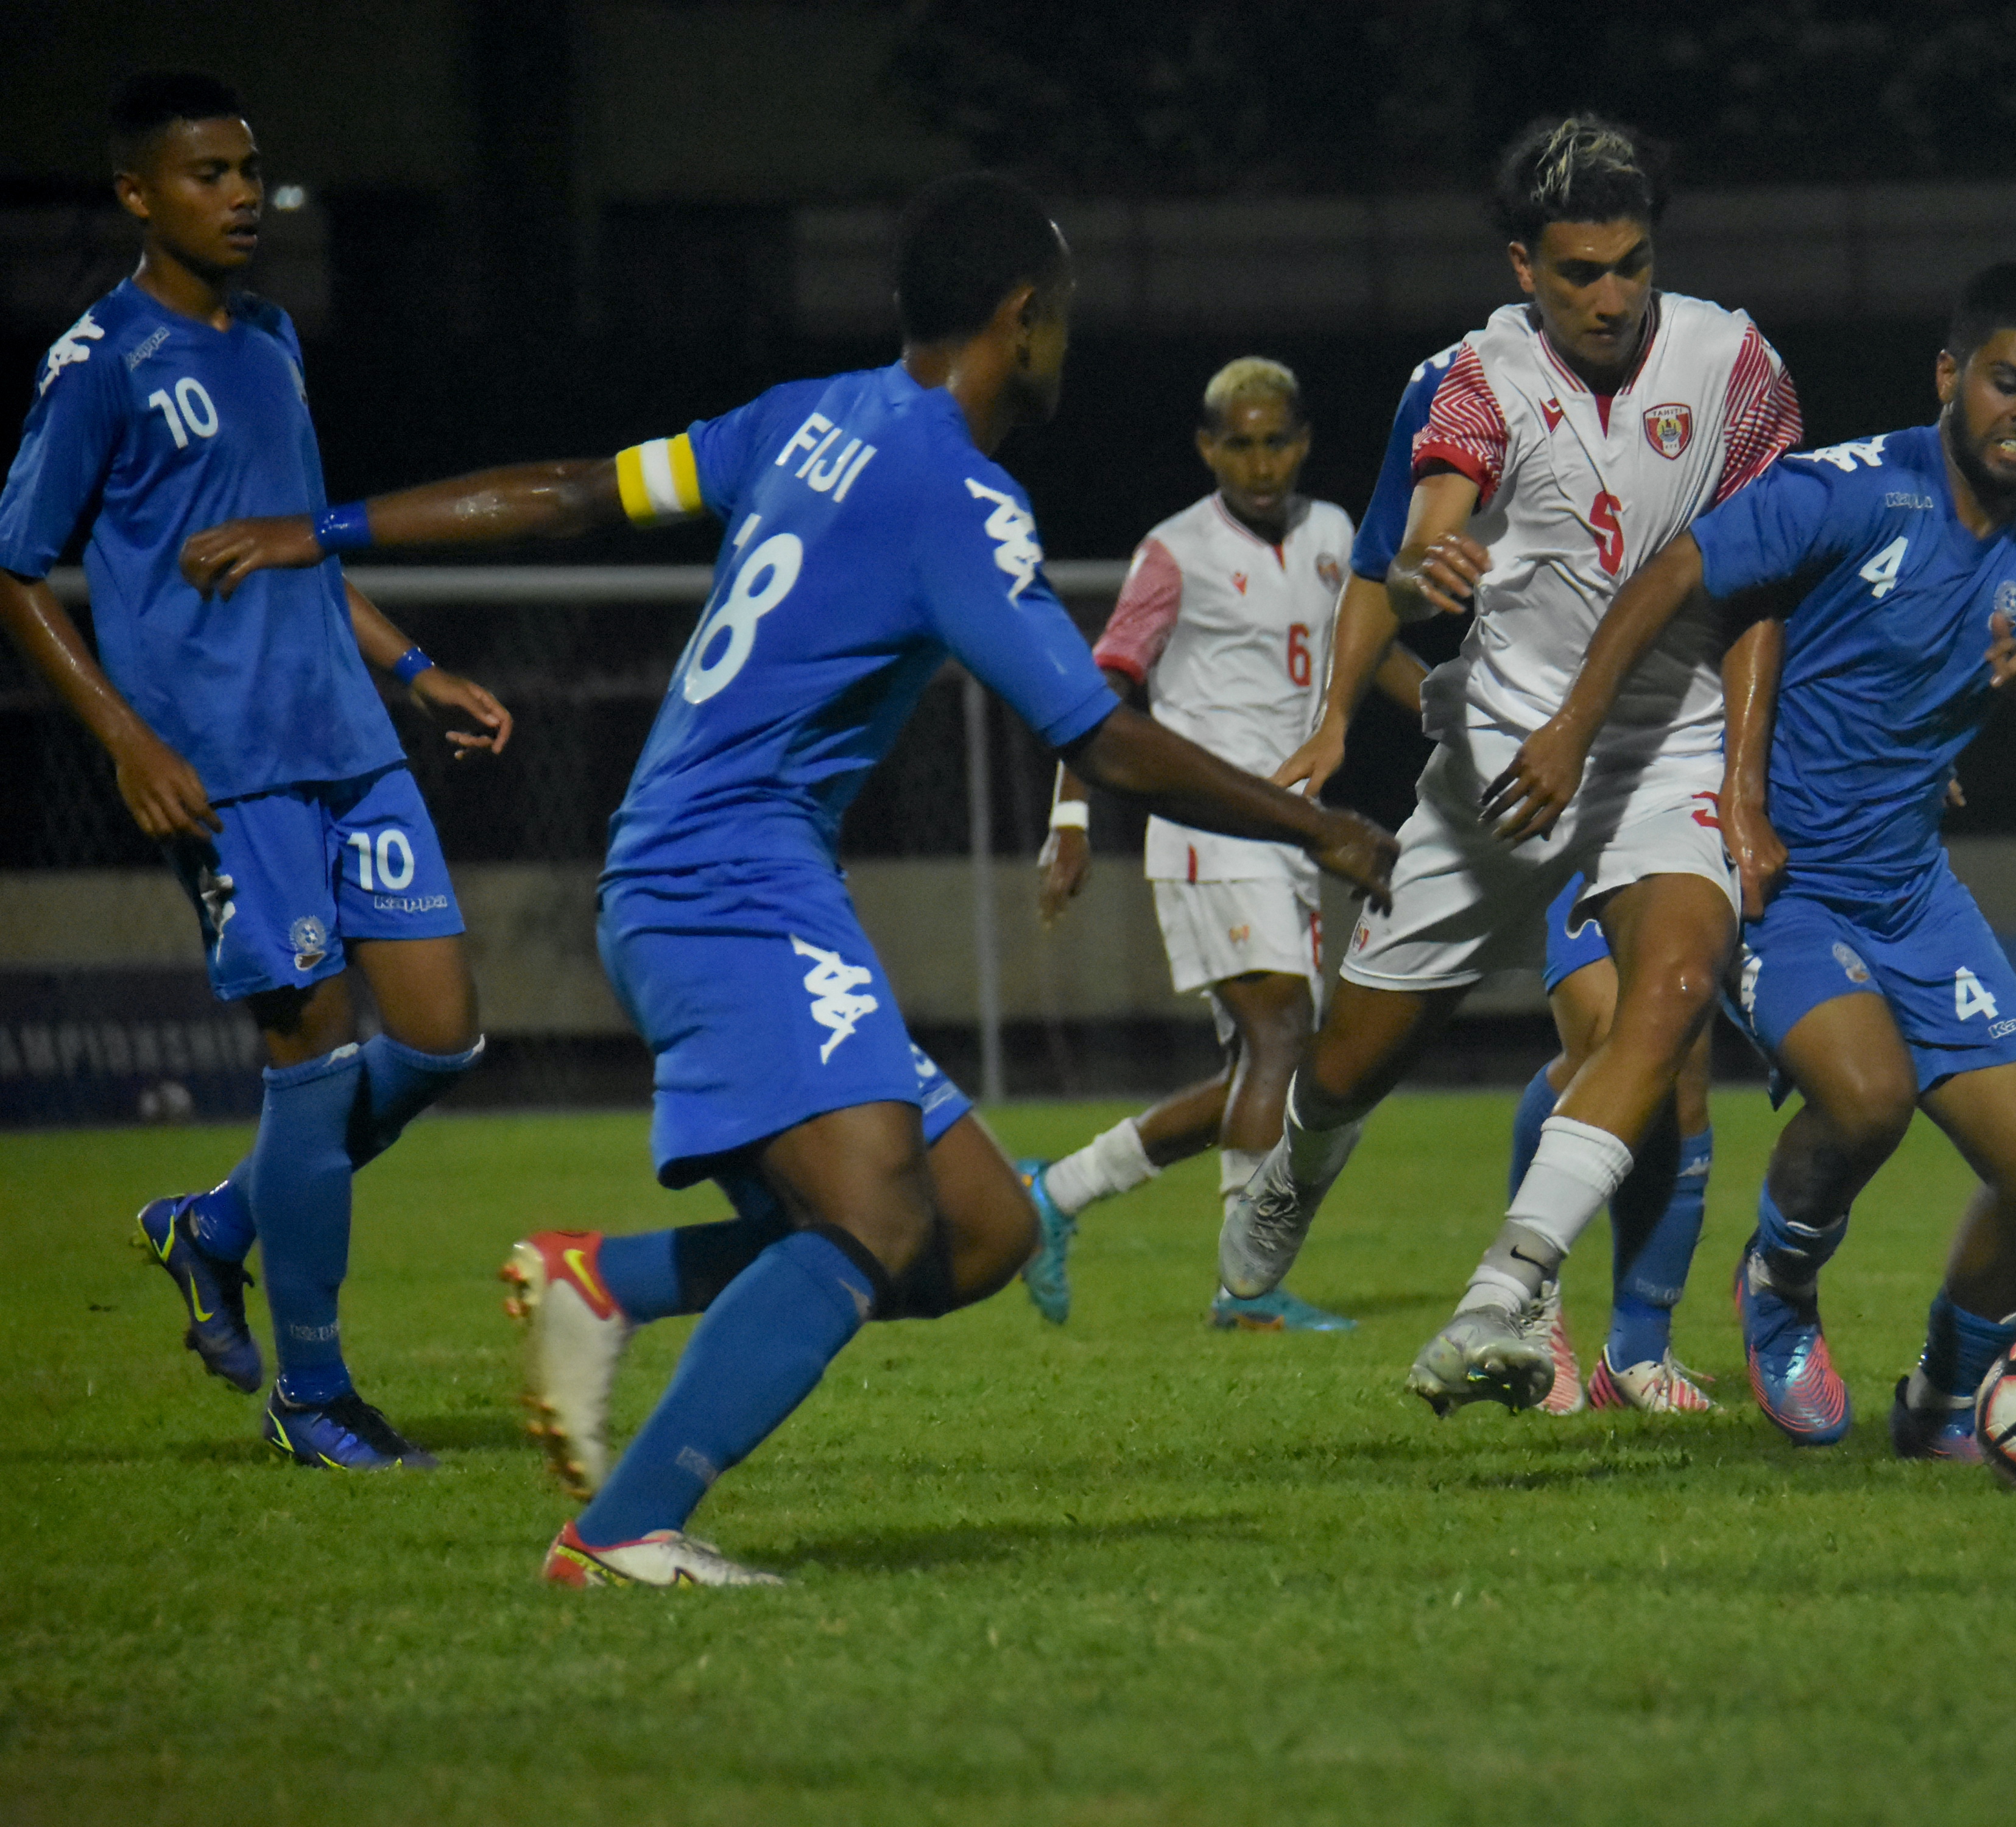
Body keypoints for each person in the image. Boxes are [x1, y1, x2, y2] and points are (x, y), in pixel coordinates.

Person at [179, 171, 1397, 1585]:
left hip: (731, 879)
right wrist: (1331, 834)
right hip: (721, 886)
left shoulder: (802, 417)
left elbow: (577, 492)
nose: (1065, 343)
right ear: (1021, 321)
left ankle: (602, 1281)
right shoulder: (959, 493)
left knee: (983, 1232)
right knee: (875, 1218)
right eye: (1058, 319)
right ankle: (625, 1530)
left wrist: (323, 531)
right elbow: (1106, 740)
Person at [1489, 262, 2016, 1459]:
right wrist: (1576, 729)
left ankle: (1939, 1405)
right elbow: (1680, 574)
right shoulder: (1851, 489)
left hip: (1910, 888)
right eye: (2006, 383)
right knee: (1863, 1098)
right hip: (1778, 879)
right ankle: (1777, 1284)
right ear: (1950, 376)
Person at [1234, 113, 1799, 1415]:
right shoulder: (1471, 376)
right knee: (1353, 1062)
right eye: (1577, 273)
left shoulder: (1739, 366)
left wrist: (1752, 781)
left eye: (1630, 264)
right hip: (1504, 757)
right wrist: (1425, 572)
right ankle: (1298, 1167)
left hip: (1668, 748)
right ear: (1520, 269)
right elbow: (1420, 520)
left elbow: (1763, 577)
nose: (1610, 296)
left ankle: (1512, 1299)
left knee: (1665, 999)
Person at [0, 73, 513, 1470]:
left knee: (440, 1037)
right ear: (137, 195)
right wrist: (129, 739)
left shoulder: (273, 337)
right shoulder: (101, 360)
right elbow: (17, 572)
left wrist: (415, 671)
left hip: (347, 736)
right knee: (318, 1052)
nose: (241, 197)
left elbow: (299, 545)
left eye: (251, 172)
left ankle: (216, 1224)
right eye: (209, 174)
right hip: (228, 770)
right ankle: (318, 1394)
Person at [1310, 345, 1721, 1415]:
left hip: (1673, 763)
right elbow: (1383, 576)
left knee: (1675, 1054)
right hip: (1543, 775)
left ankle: (1640, 1350)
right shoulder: (1459, 392)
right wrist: (1354, 719)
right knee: (1601, 1038)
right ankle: (1529, 1297)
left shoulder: (1707, 380)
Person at [1023, 356, 1422, 1334]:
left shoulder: (1335, 534)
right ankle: (1246, 1292)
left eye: (1274, 439)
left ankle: (1058, 1193)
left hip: (1294, 836)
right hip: (1207, 828)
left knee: (1273, 1064)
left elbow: (1368, 657)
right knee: (1285, 1037)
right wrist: (1069, 821)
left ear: (1303, 440)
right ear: (1207, 448)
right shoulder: (1175, 552)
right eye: (1237, 442)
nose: (1258, 460)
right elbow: (1099, 693)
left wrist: (1470, 721)